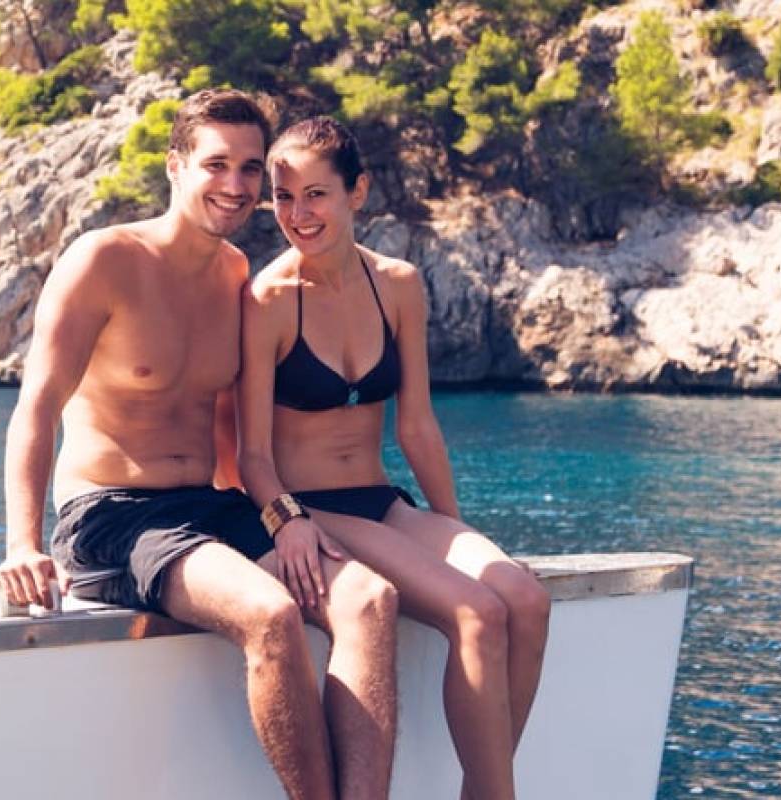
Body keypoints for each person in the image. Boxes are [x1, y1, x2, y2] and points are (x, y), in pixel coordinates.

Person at [0, 90, 397, 800]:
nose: (236, 186)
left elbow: (235, 436)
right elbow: (36, 408)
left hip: (210, 509)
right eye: (217, 165)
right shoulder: (104, 260)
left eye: (250, 169)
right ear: (175, 165)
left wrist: (282, 518)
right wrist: (21, 544)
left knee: (367, 601)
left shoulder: (237, 278)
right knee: (269, 613)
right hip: (112, 515)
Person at [236, 116, 551, 800]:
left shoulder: (399, 284)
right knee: (474, 612)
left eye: (316, 194)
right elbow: (251, 455)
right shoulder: (268, 300)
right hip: (313, 511)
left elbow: (417, 429)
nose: (299, 214)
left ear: (359, 192)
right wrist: (288, 519)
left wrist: (457, 535)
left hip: (383, 500)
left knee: (520, 596)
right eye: (283, 198)